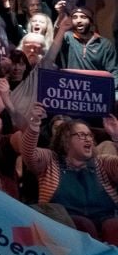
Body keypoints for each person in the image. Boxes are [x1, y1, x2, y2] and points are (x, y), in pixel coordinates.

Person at [21, 103, 118, 240]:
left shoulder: (102, 162)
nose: (88, 139)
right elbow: (28, 154)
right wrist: (34, 123)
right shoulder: (50, 160)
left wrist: (116, 136)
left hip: (105, 221)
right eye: (81, 135)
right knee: (83, 225)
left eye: (90, 135)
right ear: (65, 139)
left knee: (114, 226)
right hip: (63, 225)